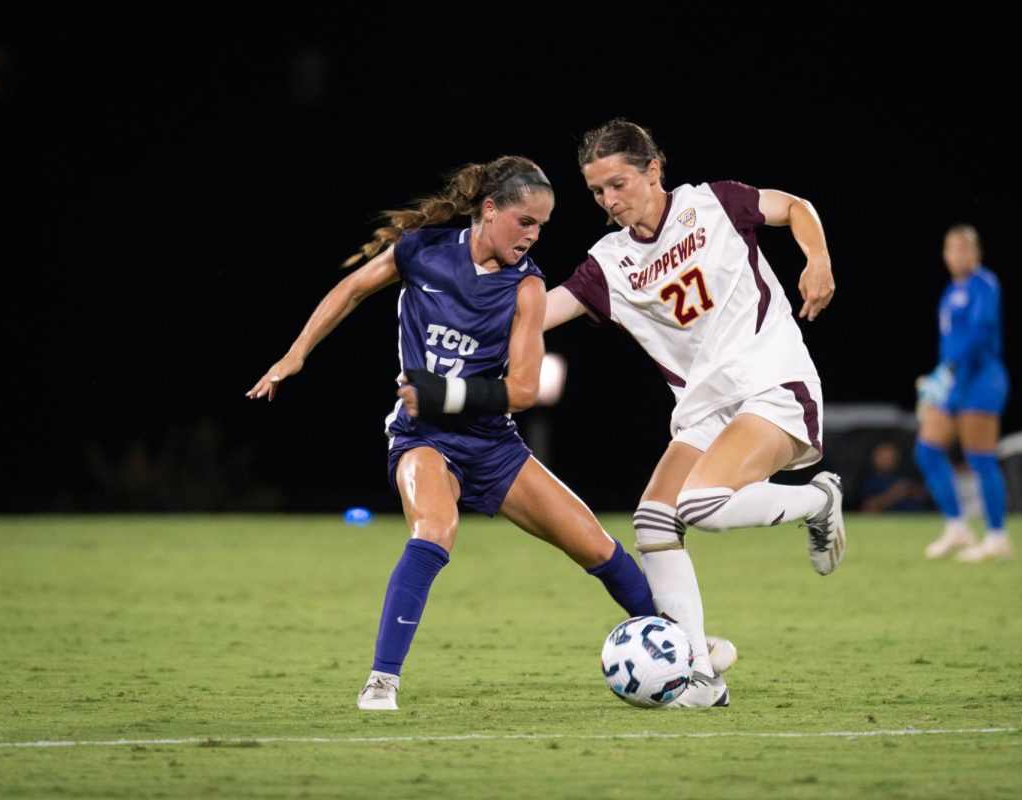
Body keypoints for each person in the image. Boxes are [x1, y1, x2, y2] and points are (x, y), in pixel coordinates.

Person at [247, 156, 657, 711]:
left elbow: (524, 389)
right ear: (489, 210)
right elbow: (351, 289)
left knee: (597, 545)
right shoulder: (422, 251)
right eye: (525, 221)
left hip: (492, 444)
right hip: (422, 438)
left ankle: (678, 648)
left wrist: (442, 393)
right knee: (436, 529)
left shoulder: (527, 287)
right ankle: (381, 681)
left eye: (542, 226)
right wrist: (294, 356)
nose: (533, 236)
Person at [543, 119, 846, 708]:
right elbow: (538, 314)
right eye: (597, 191)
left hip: (772, 384)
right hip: (706, 410)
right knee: (655, 522)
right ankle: (701, 677)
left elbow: (797, 207)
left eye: (618, 183)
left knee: (701, 505)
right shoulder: (609, 262)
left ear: (654, 171)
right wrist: (461, 296)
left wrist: (819, 258)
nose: (609, 200)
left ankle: (819, 500)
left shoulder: (714, 203)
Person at [914, 224, 1011, 562]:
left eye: (965, 249)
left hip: (981, 379)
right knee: (927, 450)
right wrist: (938, 377)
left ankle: (997, 537)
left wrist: (948, 370)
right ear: (944, 254)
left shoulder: (985, 284)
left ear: (977, 253)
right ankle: (958, 527)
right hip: (953, 380)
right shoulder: (949, 290)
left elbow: (981, 332)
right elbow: (951, 342)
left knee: (980, 458)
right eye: (953, 249)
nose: (959, 255)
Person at [855, 440, 927, 512]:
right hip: (886, 518)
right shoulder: (870, 480)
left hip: (915, 516)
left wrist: (915, 490)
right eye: (883, 456)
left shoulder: (903, 475)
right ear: (875, 457)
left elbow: (922, 494)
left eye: (890, 455)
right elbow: (867, 507)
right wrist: (895, 493)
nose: (887, 459)